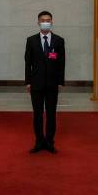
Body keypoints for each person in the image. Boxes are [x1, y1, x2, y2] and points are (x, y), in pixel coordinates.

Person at [25, 10, 66, 154]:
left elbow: (61, 63)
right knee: (37, 114)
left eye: (48, 20)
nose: (45, 22)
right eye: (43, 20)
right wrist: (28, 82)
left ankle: (49, 142)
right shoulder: (31, 40)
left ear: (52, 22)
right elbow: (27, 63)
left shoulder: (59, 40)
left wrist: (60, 81)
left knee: (51, 114)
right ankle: (38, 142)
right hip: (36, 84)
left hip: (52, 84)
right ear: (38, 22)